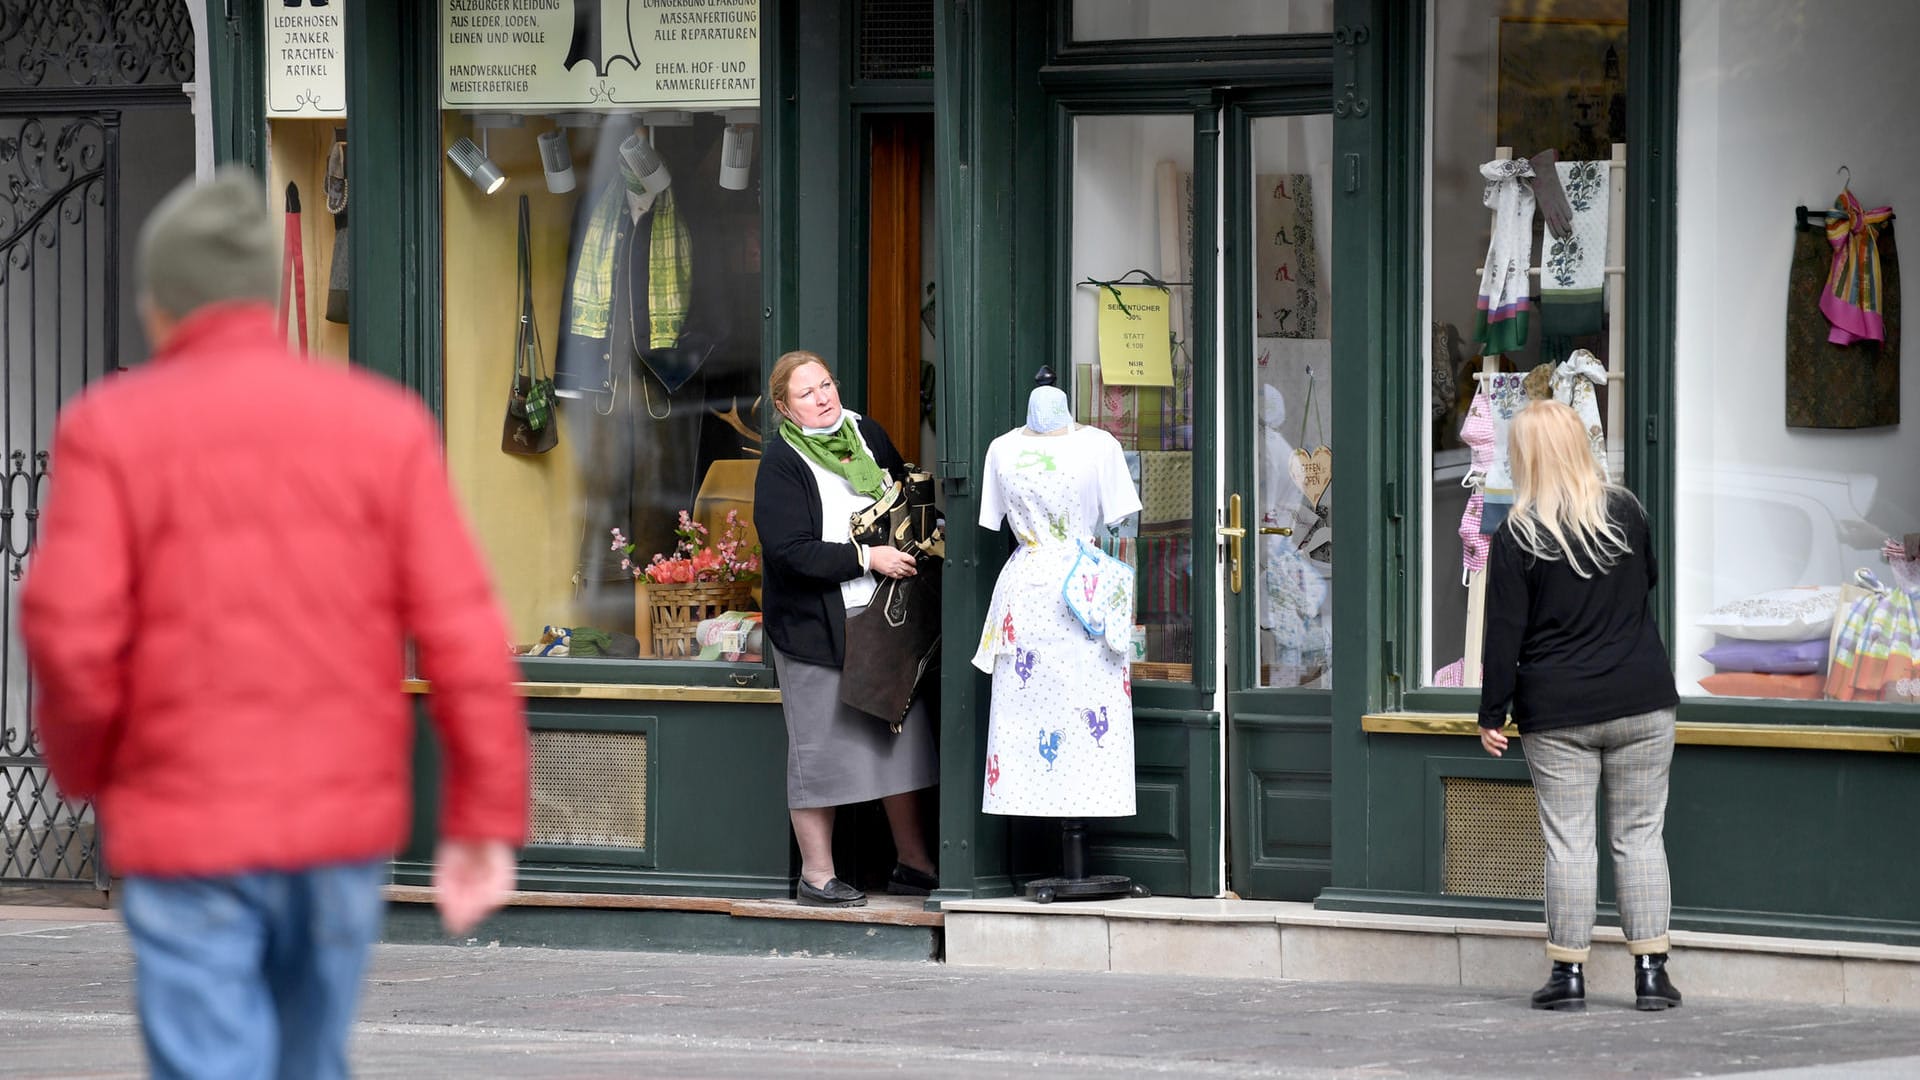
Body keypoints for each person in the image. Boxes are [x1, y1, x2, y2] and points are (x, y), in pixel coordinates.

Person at [20, 168, 529, 1078]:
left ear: (159, 304)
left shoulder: (110, 429)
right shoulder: (383, 425)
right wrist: (482, 820)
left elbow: (70, 629)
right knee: (308, 1058)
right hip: (335, 820)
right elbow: (463, 634)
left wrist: (88, 765)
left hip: (182, 818)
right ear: (266, 293)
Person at [1477, 400, 1682, 1013]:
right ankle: (1651, 975)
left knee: (1569, 843)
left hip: (1558, 709)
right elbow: (1646, 580)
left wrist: (1493, 713)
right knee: (1641, 837)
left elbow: (1502, 633)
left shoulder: (1517, 533)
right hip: (1642, 697)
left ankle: (1568, 977)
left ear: (1526, 455)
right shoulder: (1627, 512)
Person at [753, 349, 938, 907]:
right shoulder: (782, 462)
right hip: (817, 626)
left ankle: (913, 863)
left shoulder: (867, 434)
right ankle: (817, 875)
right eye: (807, 393)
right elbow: (789, 552)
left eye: (827, 384)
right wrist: (866, 557)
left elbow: (902, 498)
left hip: (883, 614)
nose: (824, 397)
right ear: (785, 408)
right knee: (820, 751)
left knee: (896, 739)